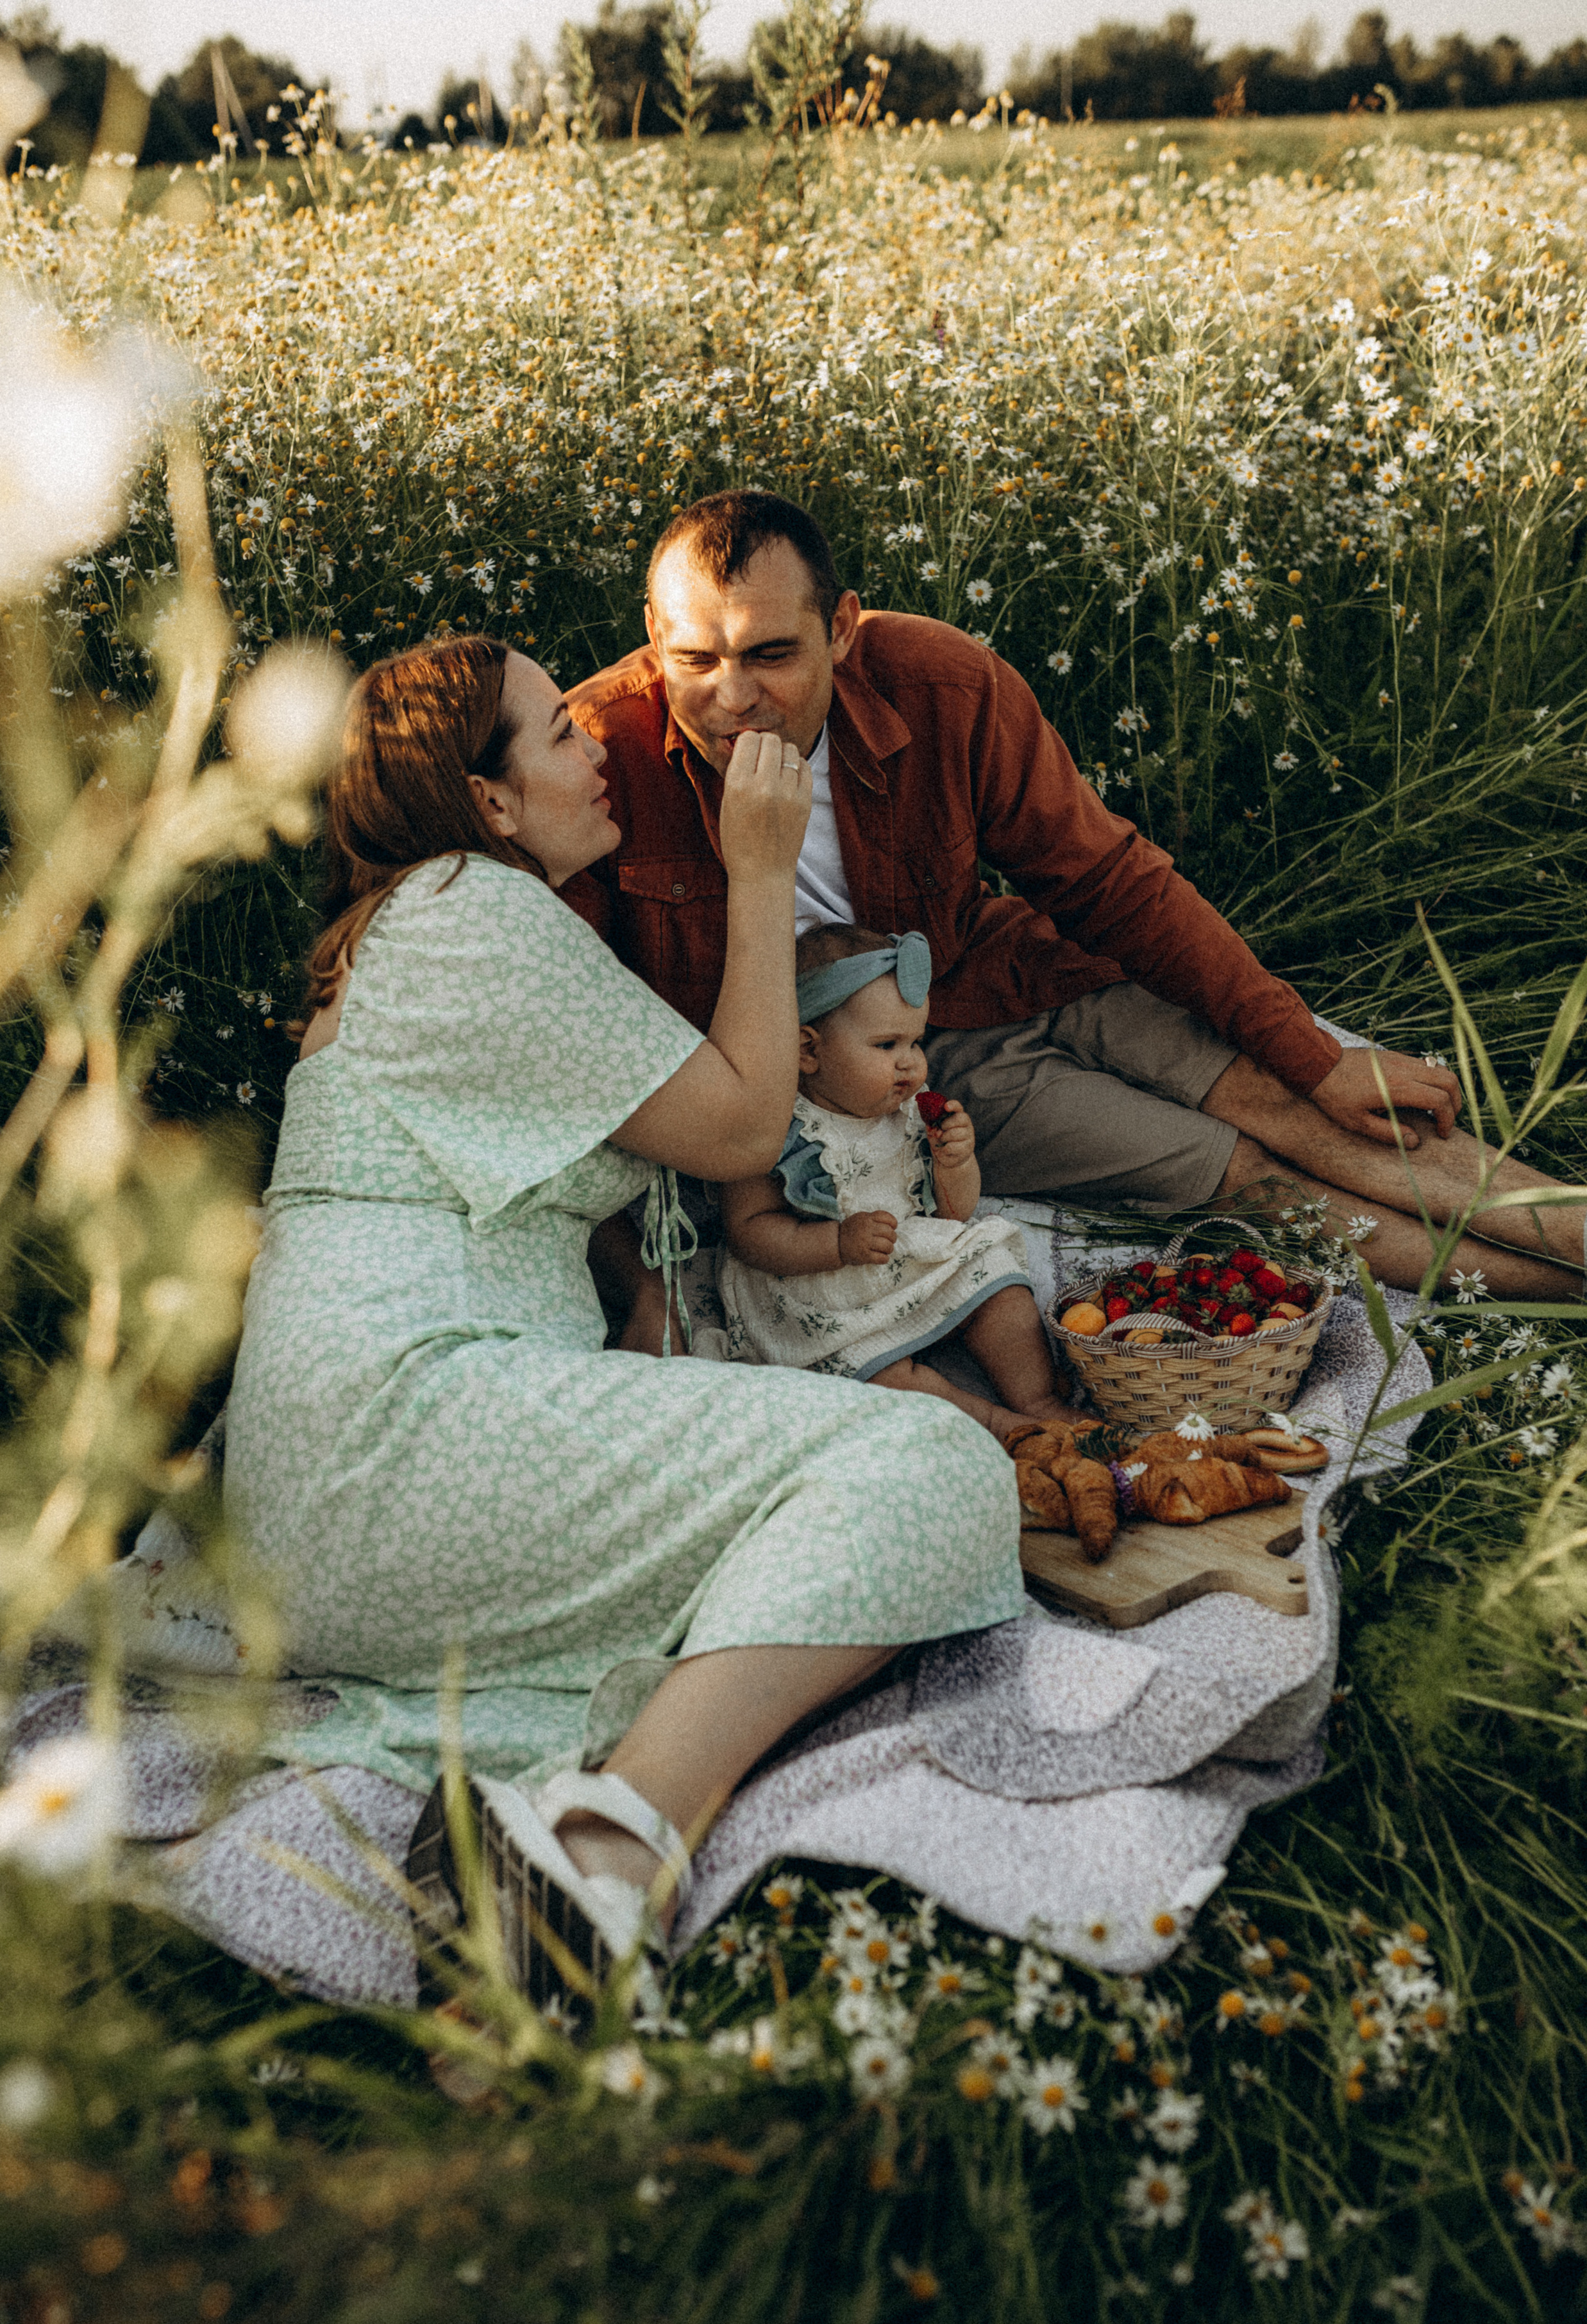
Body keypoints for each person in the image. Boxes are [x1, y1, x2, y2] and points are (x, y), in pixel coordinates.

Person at [223, 635, 1027, 2021]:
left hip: (333, 1490)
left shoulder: (414, 931)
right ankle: (597, 1854)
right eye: (553, 733)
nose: (598, 743)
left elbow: (530, 1176)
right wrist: (761, 870)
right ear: (485, 803)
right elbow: (735, 1125)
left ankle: (539, 1880)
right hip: (399, 1437)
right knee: (934, 1470)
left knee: (837, 1487)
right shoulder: (471, 903)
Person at [566, 490, 1585, 1300]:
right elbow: (575, 1040)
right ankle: (1559, 1297)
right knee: (1240, 1170)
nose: (731, 696)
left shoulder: (940, 682)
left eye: (770, 655)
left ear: (840, 627)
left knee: (1293, 1093)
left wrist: (1313, 1052)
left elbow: (1105, 880)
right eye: (693, 657)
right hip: (893, 1079)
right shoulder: (600, 757)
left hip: (1000, 971)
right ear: (653, 631)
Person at [707, 922, 1082, 1442]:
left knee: (996, 1274)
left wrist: (955, 1163)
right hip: (816, 1292)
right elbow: (748, 1232)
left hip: (900, 1260)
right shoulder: (775, 1126)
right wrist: (835, 1242)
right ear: (808, 1051)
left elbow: (952, 1215)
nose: (910, 1062)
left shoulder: (906, 1110)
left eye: (916, 1041)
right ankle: (998, 1426)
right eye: (887, 1044)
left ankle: (1039, 1398)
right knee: (880, 1377)